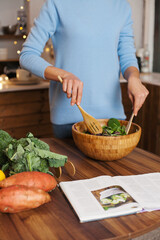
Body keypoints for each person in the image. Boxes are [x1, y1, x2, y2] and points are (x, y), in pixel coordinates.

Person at [20, 0, 149, 138]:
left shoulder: (121, 6)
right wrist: (64, 75)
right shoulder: (56, 3)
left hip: (113, 120)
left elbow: (127, 56)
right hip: (69, 119)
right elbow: (27, 55)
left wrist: (134, 77)